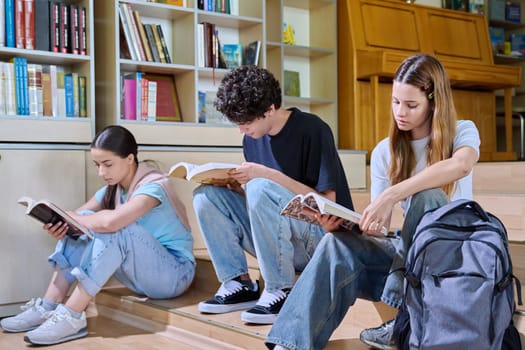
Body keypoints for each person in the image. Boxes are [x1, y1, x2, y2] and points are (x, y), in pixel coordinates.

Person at [265, 53, 481, 350]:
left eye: (411, 104)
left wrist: (394, 194)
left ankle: (404, 314)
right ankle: (289, 345)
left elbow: (461, 166)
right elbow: (382, 230)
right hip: (408, 266)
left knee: (427, 196)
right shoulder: (385, 152)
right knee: (336, 245)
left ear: (434, 102)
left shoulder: (462, 131)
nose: (400, 112)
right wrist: (342, 228)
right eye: (395, 102)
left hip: (453, 261)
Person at [0, 125, 195, 346]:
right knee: (84, 222)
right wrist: (64, 226)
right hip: (140, 274)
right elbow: (81, 218)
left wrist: (74, 218)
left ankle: (72, 315)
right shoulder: (113, 189)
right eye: (98, 165)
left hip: (175, 275)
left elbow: (111, 222)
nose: (102, 172)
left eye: (108, 164)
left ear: (130, 158)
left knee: (115, 226)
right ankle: (49, 305)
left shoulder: (154, 186)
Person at [193, 65, 353, 325]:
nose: (241, 131)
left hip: (322, 240)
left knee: (259, 185)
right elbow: (266, 208)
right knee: (206, 195)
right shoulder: (251, 139)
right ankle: (239, 284)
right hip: (281, 241)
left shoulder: (313, 130)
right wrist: (238, 190)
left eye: (245, 123)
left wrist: (266, 175)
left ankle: (280, 290)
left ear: (269, 109)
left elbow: (328, 205)